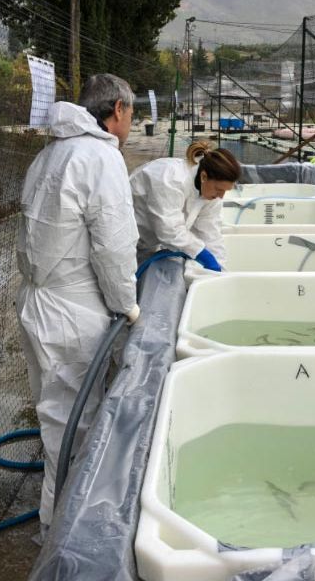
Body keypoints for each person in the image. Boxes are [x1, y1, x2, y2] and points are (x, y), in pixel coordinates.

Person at [15, 73, 140, 535]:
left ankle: (58, 528)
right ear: (118, 111)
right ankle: (63, 541)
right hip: (70, 313)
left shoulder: (51, 154)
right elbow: (113, 245)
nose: (132, 122)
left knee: (56, 419)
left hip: (37, 301)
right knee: (74, 430)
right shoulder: (99, 159)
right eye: (131, 114)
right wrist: (128, 304)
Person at [130, 141, 241, 270]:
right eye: (219, 189)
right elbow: (170, 231)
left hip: (148, 243)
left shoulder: (210, 192)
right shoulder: (171, 178)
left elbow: (210, 233)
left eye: (225, 191)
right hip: (125, 239)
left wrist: (220, 268)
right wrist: (202, 254)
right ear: (204, 176)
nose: (221, 196)